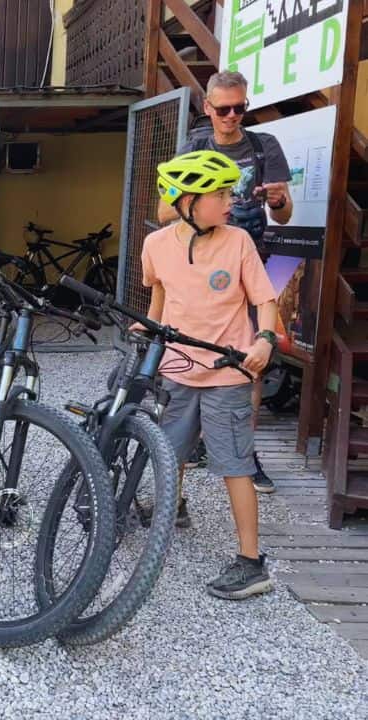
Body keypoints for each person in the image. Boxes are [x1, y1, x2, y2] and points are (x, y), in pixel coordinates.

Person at [143, 150, 278, 599]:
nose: (230, 200)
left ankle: (251, 561)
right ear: (187, 201)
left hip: (227, 373)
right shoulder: (156, 245)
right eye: (220, 193)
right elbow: (159, 302)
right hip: (178, 369)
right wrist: (146, 329)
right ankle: (173, 509)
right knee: (170, 452)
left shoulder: (238, 241)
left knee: (234, 466)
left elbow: (265, 299)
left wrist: (264, 341)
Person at [158, 70, 292, 496]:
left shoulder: (263, 146)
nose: (232, 116)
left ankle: (244, 452)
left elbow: (284, 214)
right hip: (198, 269)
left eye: (240, 108)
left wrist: (278, 200)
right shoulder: (194, 145)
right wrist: (199, 204)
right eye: (223, 109)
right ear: (207, 108)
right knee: (189, 355)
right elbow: (164, 213)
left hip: (249, 264)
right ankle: (188, 445)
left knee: (248, 361)